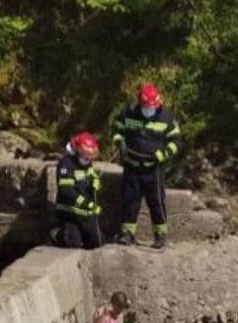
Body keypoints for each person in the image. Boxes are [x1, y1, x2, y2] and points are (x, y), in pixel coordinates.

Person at [111, 83, 183, 249]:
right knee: (130, 200)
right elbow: (116, 129)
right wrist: (120, 143)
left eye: (152, 106)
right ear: (140, 103)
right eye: (146, 106)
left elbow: (176, 141)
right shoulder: (129, 113)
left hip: (153, 168)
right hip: (132, 165)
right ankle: (127, 234)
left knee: (156, 202)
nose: (149, 109)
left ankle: (160, 235)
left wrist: (163, 154)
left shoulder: (166, 118)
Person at [53, 132, 104, 249]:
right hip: (70, 213)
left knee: (96, 242)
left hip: (86, 214)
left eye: (90, 156)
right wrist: (87, 204)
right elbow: (67, 192)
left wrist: (96, 183)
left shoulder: (88, 164)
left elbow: (92, 177)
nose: (88, 159)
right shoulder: (66, 164)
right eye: (86, 156)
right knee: (72, 243)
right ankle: (56, 233)